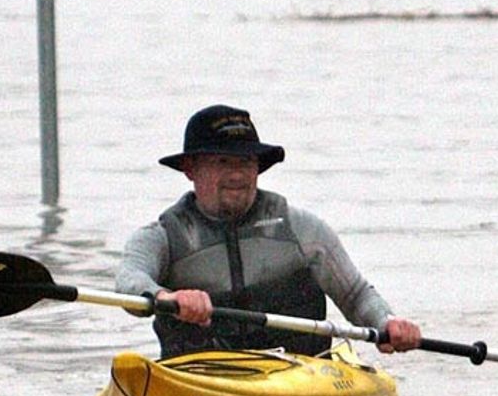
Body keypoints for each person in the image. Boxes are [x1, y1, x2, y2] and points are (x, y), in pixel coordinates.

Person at [116, 104, 422, 359]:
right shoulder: (161, 237)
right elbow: (129, 283)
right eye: (223, 162)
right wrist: (166, 296)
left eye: (246, 162)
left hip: (301, 372)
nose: (237, 174)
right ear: (190, 169)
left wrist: (387, 322)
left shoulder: (301, 229)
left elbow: (356, 296)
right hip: (201, 375)